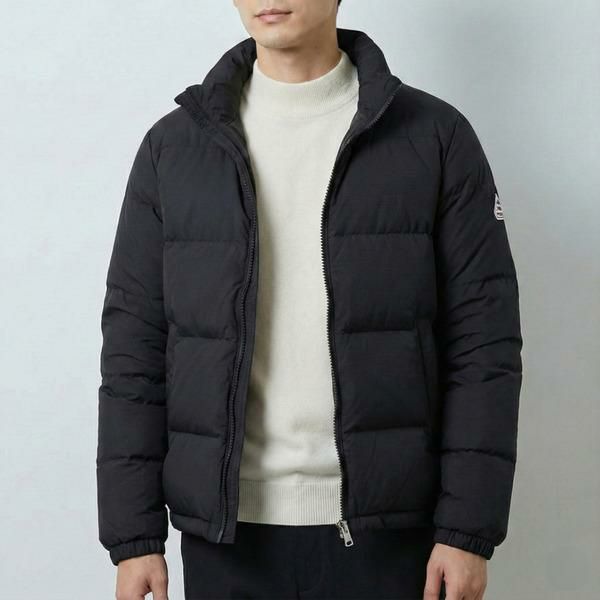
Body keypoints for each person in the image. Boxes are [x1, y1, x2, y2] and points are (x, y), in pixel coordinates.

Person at [96, 1, 523, 599]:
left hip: (392, 537)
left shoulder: (434, 137)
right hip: (228, 539)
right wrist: (134, 535)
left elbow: (484, 346)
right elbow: (134, 351)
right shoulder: (174, 149)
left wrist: (467, 529)